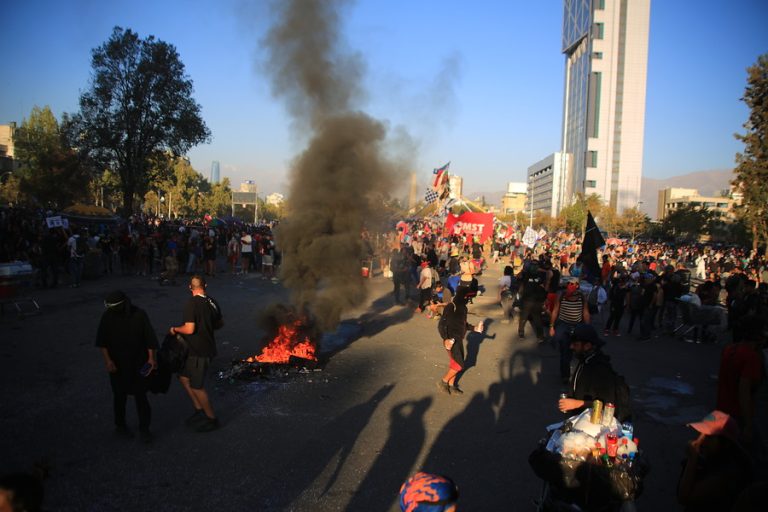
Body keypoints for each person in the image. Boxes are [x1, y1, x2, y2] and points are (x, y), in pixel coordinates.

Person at [95, 290, 158, 443]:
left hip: (138, 363)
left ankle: (144, 429)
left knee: (140, 397)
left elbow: (150, 339)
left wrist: (151, 359)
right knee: (119, 396)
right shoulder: (108, 316)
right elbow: (102, 342)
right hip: (117, 364)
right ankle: (121, 426)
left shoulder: (139, 315)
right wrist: (108, 361)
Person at [170, 275, 223, 432]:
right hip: (199, 349)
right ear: (205, 285)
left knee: (197, 386)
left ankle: (212, 419)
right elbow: (220, 323)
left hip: (200, 352)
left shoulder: (191, 303)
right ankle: (199, 410)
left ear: (189, 287)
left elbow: (189, 329)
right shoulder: (212, 302)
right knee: (184, 377)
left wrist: (175, 329)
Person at [677, 410, 752, 512]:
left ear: (726, 444)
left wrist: (692, 459)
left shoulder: (725, 474)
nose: (701, 440)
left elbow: (684, 497)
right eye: (701, 433)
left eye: (709, 437)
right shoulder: (714, 460)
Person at [557, 324, 630, 421]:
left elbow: (607, 404)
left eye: (575, 344)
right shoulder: (585, 360)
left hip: (593, 425)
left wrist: (576, 404)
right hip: (579, 419)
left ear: (587, 345)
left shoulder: (600, 368)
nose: (571, 347)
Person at [716, 314, 766, 447]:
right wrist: (748, 425)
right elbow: (744, 393)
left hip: (721, 409)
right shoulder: (751, 358)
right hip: (736, 415)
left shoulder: (729, 349)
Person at [550, 279, 590, 385]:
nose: (571, 286)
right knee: (564, 351)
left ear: (577, 285)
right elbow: (555, 310)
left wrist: (588, 327)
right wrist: (551, 326)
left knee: (580, 351)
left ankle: (581, 374)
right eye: (569, 284)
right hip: (564, 325)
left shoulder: (582, 297)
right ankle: (565, 375)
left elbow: (585, 312)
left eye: (573, 284)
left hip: (578, 326)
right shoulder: (561, 295)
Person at [437, 287, 476, 395]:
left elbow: (463, 324)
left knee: (454, 363)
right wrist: (446, 339)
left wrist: (474, 328)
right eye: (468, 297)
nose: (469, 299)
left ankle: (452, 385)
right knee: (459, 365)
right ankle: (443, 381)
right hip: (451, 340)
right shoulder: (451, 306)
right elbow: (441, 325)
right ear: (463, 296)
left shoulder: (463, 308)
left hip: (458, 340)